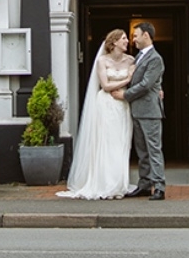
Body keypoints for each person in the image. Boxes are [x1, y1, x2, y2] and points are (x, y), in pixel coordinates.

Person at [57, 28, 135, 199]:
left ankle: (118, 183)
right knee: (105, 143)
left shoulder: (131, 60)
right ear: (114, 42)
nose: (127, 41)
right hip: (106, 104)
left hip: (122, 105)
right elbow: (105, 86)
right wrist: (126, 80)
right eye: (123, 39)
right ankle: (103, 182)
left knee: (121, 143)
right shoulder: (102, 61)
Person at [113, 21, 166, 200]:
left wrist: (125, 95)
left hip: (150, 111)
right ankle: (144, 184)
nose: (133, 39)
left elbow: (145, 85)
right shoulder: (138, 57)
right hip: (137, 110)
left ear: (146, 35)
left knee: (153, 150)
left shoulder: (155, 58)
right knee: (142, 151)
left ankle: (159, 186)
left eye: (136, 35)